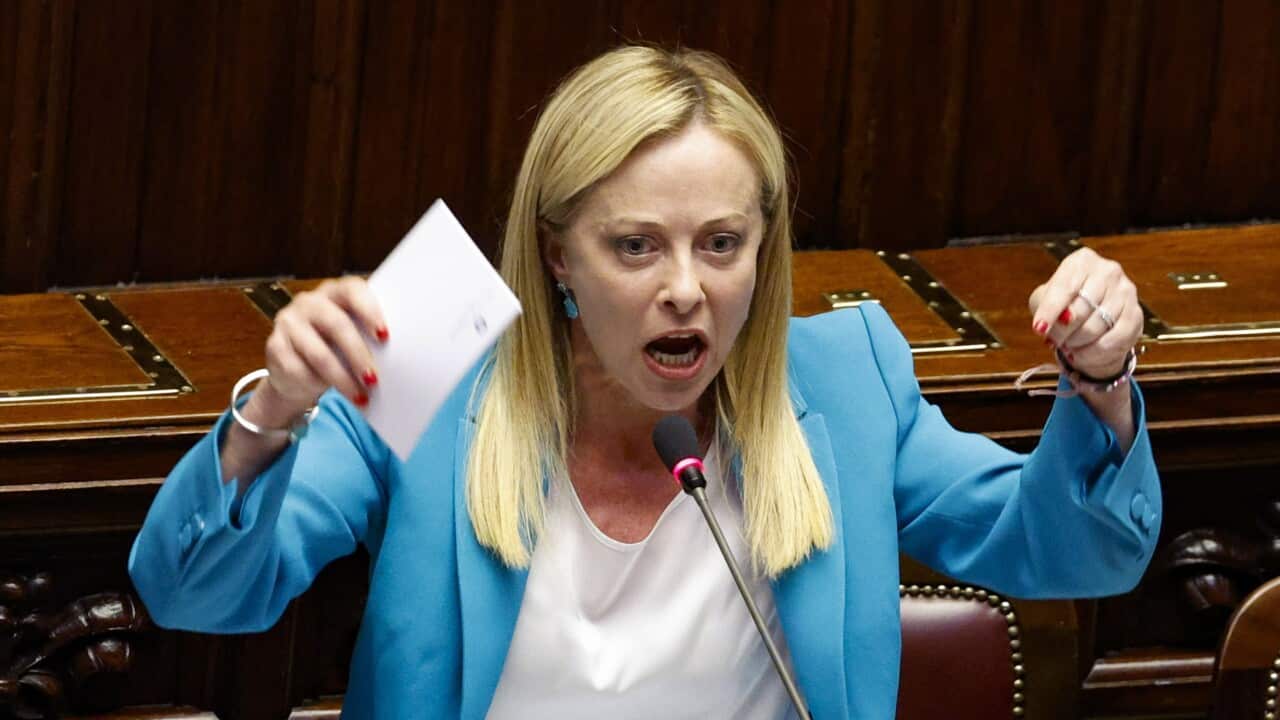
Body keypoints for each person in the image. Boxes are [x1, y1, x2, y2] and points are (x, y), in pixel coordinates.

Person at [129, 45, 1160, 719]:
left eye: (722, 244)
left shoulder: (844, 380)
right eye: (634, 247)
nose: (685, 290)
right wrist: (275, 415)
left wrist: (1102, 380)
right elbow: (197, 597)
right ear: (556, 256)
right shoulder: (430, 358)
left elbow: (1077, 552)